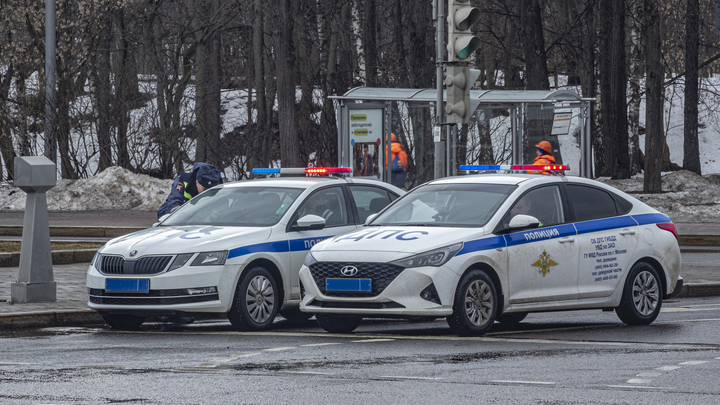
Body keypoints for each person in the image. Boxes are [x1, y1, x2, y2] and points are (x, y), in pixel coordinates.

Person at [157, 162, 223, 219]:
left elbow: (225, 210)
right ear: (197, 182)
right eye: (204, 189)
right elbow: (173, 203)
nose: (207, 192)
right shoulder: (182, 183)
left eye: (211, 190)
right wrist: (181, 215)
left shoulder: (221, 189)